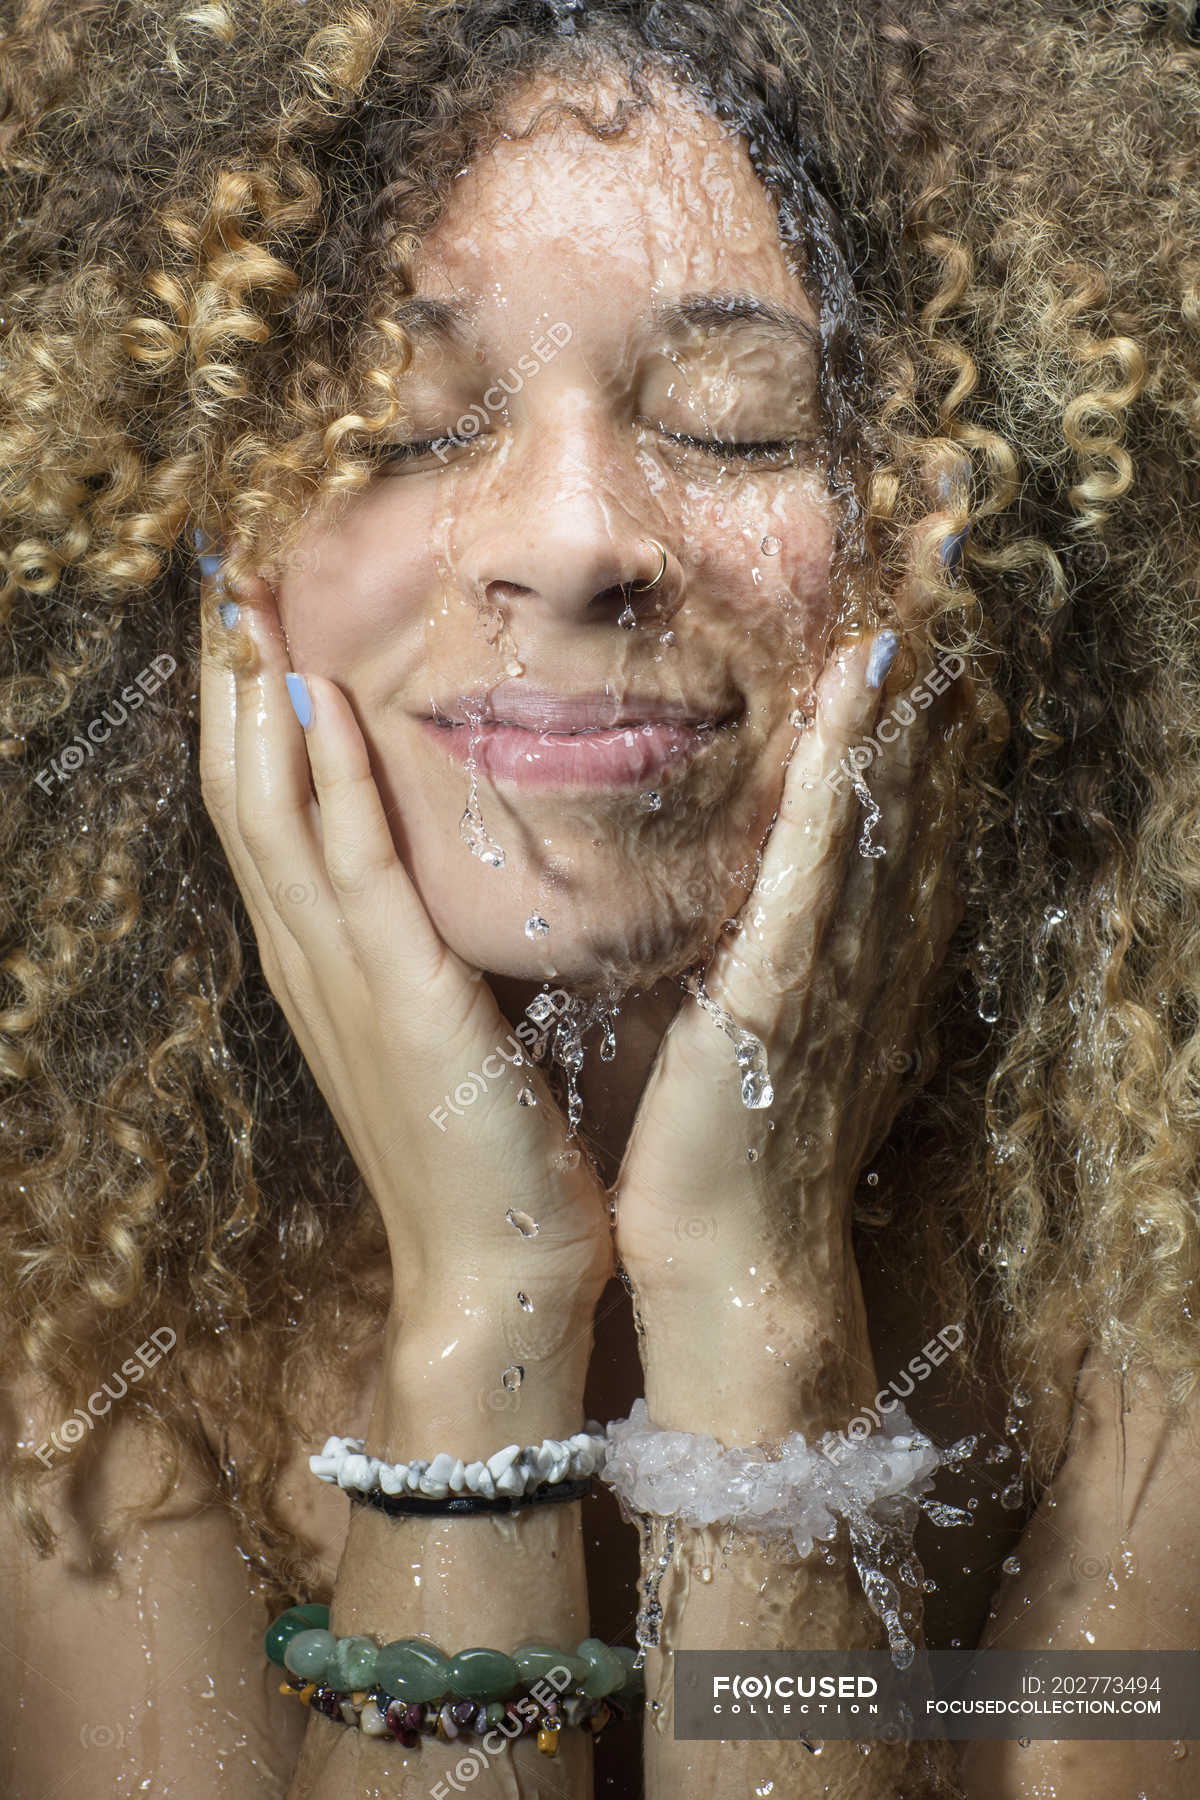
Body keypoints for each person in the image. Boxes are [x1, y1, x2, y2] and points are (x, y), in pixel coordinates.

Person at [1, 2, 1197, 1796]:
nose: (571, 538)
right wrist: (486, 1312)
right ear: (190, 535)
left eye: (738, 426)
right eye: (397, 428)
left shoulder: (1157, 1285)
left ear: (984, 530)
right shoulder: (63, 1294)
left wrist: (758, 1302)